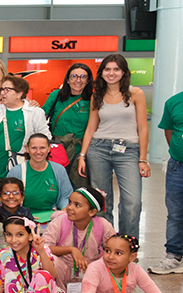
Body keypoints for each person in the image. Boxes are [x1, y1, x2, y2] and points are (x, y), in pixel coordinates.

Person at [78, 54, 149, 239]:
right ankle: (107, 245)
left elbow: (142, 128)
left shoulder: (136, 93)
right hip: (99, 149)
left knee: (132, 202)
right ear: (101, 73)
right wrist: (82, 155)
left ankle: (128, 244)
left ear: (123, 72)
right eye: (107, 69)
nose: (111, 73)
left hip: (129, 150)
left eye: (116, 69)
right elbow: (91, 128)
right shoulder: (97, 96)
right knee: (101, 201)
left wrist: (143, 159)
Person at [42, 187, 115, 291]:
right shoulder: (60, 222)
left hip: (89, 269)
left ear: (91, 212)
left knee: (112, 261)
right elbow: (44, 248)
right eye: (70, 202)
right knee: (49, 260)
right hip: (64, 269)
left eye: (77, 205)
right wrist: (72, 250)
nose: (70, 208)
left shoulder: (102, 224)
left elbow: (115, 247)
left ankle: (94, 292)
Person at [41, 63, 93, 188]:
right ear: (68, 79)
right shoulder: (57, 96)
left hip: (81, 150)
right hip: (57, 149)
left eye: (83, 77)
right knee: (55, 185)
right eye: (74, 76)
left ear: (88, 80)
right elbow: (41, 116)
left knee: (78, 187)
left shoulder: (92, 99)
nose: (78, 80)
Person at [0, 75, 49, 181]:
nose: (2, 93)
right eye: (1, 89)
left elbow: (45, 138)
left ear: (19, 93)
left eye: (7, 90)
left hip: (22, 167)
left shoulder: (34, 112)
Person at [151, 88, 183, 274]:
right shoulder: (174, 102)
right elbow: (169, 132)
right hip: (178, 166)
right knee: (175, 214)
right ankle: (174, 256)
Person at [7, 134, 73, 223]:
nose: (38, 152)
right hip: (23, 218)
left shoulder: (59, 170)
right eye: (34, 148)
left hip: (52, 218)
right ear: (27, 148)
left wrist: (64, 209)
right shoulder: (16, 172)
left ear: (49, 149)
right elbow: (7, 198)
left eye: (42, 148)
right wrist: (23, 217)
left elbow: (65, 196)